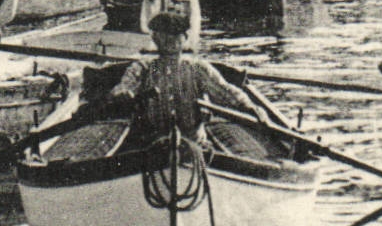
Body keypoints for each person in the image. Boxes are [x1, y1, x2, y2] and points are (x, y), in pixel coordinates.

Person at [102, 10, 262, 149]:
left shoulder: (198, 68)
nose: (170, 39)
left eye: (175, 34)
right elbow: (123, 88)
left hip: (193, 140)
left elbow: (226, 91)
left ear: (185, 37)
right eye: (164, 34)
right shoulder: (142, 68)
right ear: (155, 38)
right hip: (152, 141)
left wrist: (251, 108)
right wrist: (121, 95)